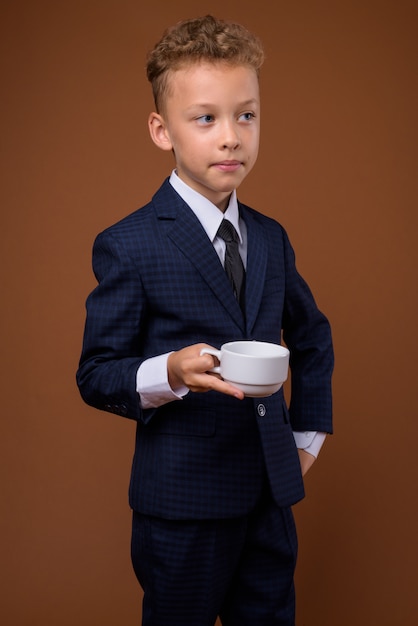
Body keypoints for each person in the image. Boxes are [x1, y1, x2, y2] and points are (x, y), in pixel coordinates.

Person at [76, 14, 333, 626]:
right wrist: (171, 370)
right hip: (181, 507)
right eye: (206, 118)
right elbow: (95, 374)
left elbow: (312, 336)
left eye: (246, 115)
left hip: (269, 495)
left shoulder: (270, 237)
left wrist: (308, 438)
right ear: (162, 130)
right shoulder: (129, 243)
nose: (231, 138)